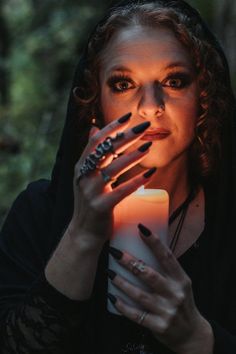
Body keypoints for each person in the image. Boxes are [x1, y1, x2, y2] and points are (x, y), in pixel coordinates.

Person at [0, 0, 236, 353]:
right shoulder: (38, 212)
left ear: (203, 97)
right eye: (123, 84)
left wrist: (198, 338)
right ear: (95, 102)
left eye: (174, 81)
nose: (150, 105)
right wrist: (82, 233)